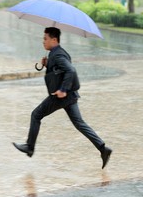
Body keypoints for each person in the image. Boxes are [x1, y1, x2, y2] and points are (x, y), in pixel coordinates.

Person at [13, 27, 112, 169]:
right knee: (79, 123)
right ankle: (103, 148)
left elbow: (70, 70)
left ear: (54, 39)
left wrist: (63, 89)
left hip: (61, 96)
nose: (43, 41)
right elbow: (61, 70)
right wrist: (47, 64)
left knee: (36, 115)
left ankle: (30, 147)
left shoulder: (58, 55)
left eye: (45, 38)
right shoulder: (57, 53)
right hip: (70, 96)